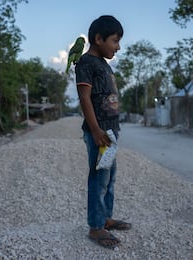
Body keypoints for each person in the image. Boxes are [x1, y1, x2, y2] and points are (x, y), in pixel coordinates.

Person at [75, 15, 131, 249]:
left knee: (109, 177)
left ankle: (105, 217)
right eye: (115, 41)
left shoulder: (103, 64)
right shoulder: (86, 63)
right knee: (99, 178)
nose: (117, 46)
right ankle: (96, 226)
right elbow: (85, 98)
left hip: (110, 131)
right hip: (100, 132)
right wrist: (96, 130)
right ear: (98, 39)